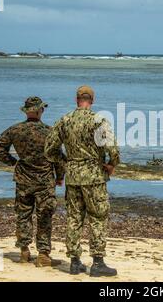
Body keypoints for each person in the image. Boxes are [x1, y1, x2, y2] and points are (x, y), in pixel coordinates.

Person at [45, 85, 120, 277]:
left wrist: (66, 161)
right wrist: (112, 164)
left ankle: (75, 262)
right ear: (92, 100)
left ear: (76, 99)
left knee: (74, 218)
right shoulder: (99, 120)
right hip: (94, 176)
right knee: (97, 218)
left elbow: (50, 150)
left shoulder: (65, 120)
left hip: (73, 176)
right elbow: (113, 149)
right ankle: (97, 262)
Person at [0, 96, 65, 267]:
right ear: (41, 110)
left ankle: (24, 251)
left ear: (27, 111)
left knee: (23, 215)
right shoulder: (50, 132)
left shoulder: (15, 130)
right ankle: (43, 254)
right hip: (44, 181)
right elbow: (59, 158)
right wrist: (60, 176)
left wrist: (14, 162)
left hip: (23, 179)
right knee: (44, 217)